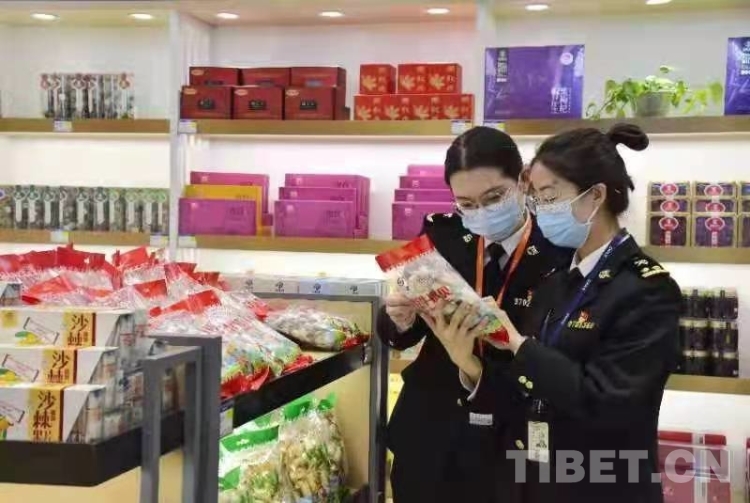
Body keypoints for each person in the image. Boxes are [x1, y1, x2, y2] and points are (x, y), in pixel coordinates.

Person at [431, 123, 681, 503]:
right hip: (535, 478)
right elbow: (525, 392)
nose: (539, 210)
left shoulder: (647, 290)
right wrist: (468, 363)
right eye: (535, 198)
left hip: (604, 485)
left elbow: (609, 403)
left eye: (549, 197)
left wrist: (518, 345)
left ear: (595, 195)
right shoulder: (558, 282)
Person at [378, 126, 573, 503]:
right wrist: (400, 319)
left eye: (494, 197)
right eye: (466, 203)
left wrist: (473, 365)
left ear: (523, 180)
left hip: (510, 435)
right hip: (432, 434)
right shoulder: (444, 237)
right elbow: (399, 333)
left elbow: (556, 359)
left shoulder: (557, 248)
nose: (481, 212)